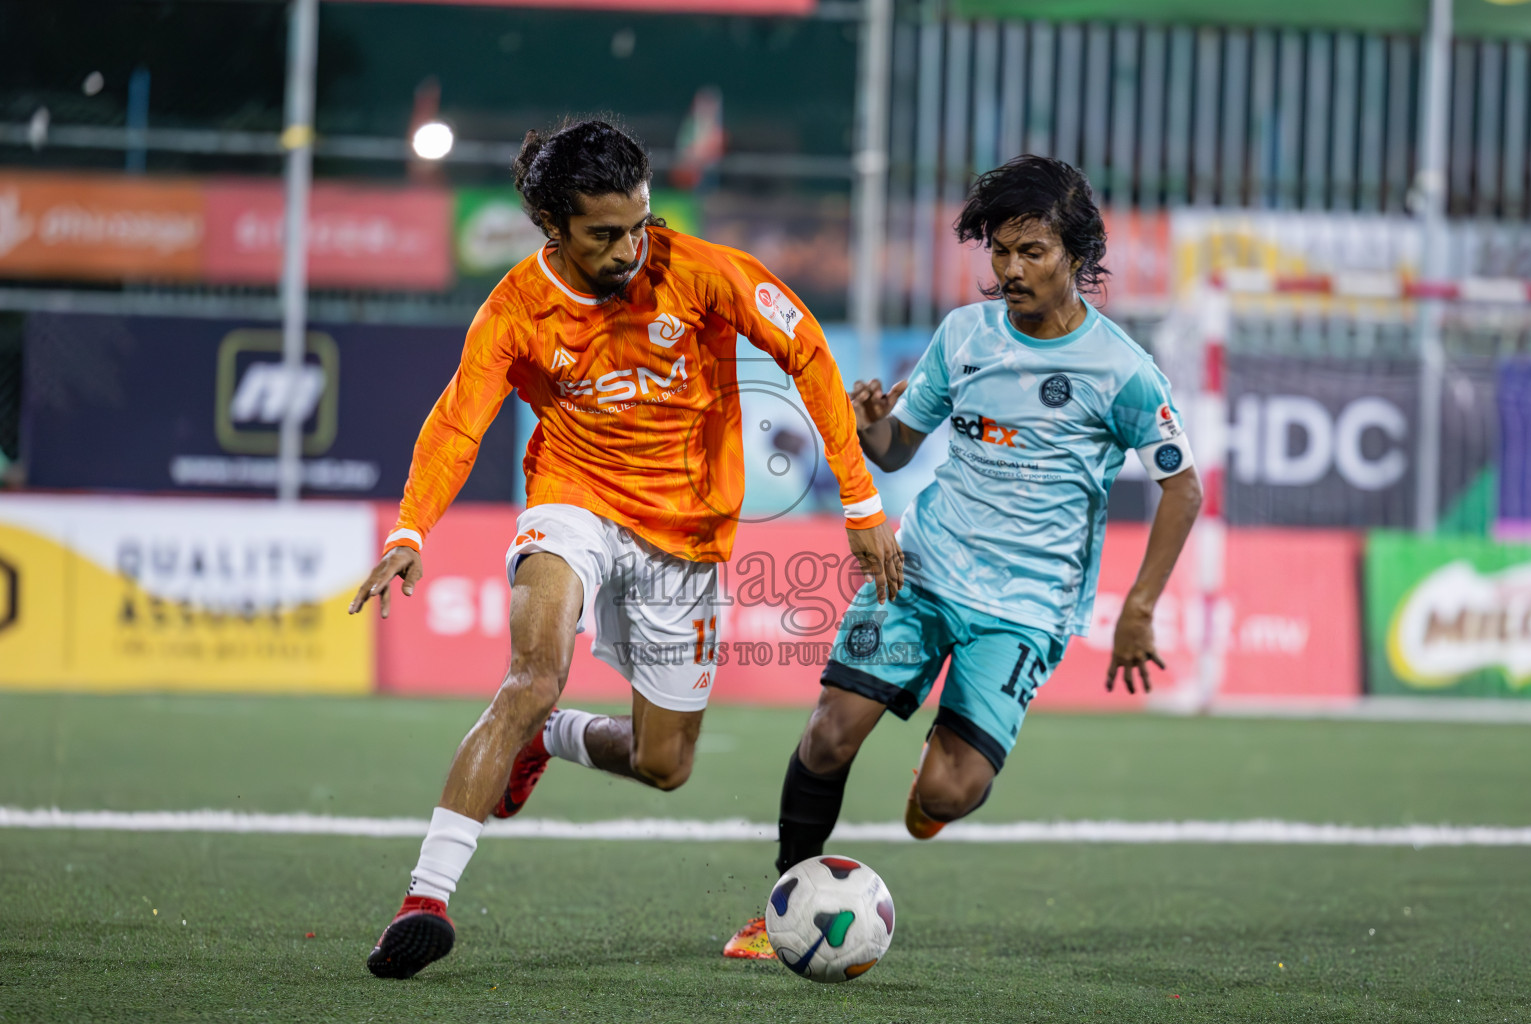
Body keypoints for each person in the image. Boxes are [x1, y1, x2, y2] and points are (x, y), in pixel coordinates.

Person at [351, 119, 904, 979]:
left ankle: (553, 739)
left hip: (686, 538)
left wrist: (861, 501)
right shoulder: (515, 310)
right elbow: (459, 421)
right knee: (530, 676)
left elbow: (806, 350)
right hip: (574, 503)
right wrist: (410, 528)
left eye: (638, 224)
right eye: (604, 235)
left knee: (663, 764)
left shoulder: (700, 271)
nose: (629, 249)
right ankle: (425, 899)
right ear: (551, 227)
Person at [723, 154, 1202, 959]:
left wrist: (1141, 606)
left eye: (1032, 253)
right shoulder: (963, 335)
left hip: (1026, 605)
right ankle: (783, 902)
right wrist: (873, 424)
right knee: (830, 735)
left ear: (1078, 257)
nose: (1010, 270)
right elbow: (898, 448)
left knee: (949, 792)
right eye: (1000, 252)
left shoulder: (1120, 371)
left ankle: (933, 783)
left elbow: (1181, 489)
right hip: (923, 568)